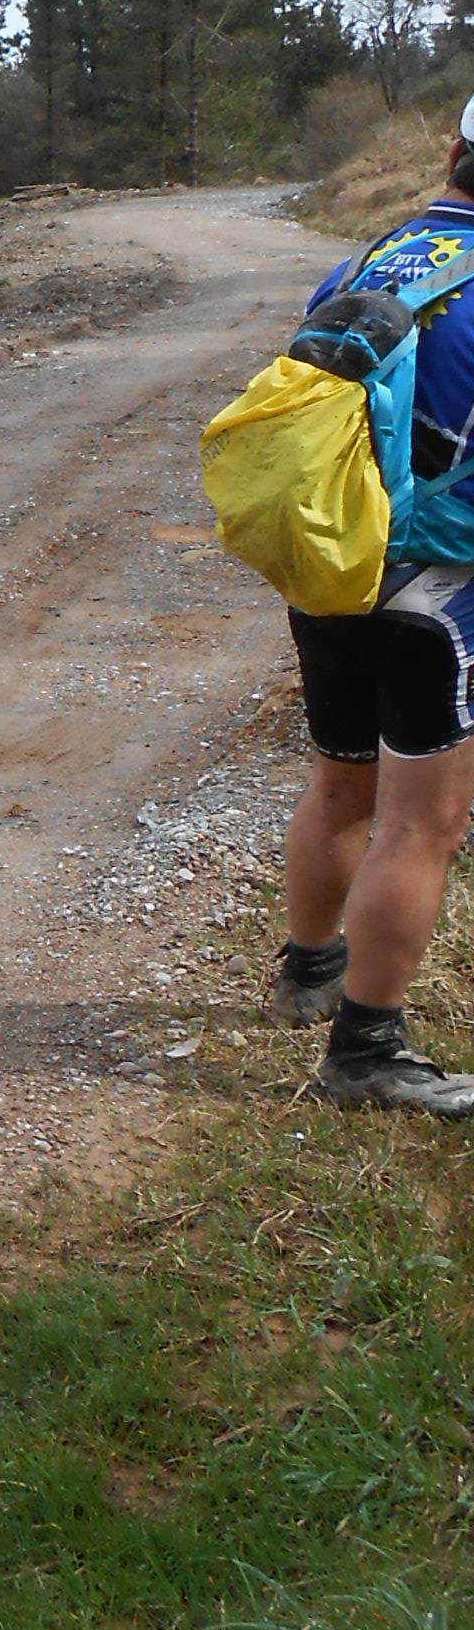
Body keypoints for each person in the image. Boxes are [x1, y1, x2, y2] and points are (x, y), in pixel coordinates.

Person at [278, 100, 474, 1116]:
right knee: (420, 828)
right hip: (435, 591)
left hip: (330, 567)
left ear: (453, 154)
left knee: (340, 785)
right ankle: (366, 1051)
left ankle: (309, 968)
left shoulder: (371, 262)